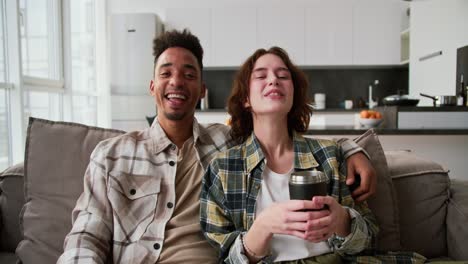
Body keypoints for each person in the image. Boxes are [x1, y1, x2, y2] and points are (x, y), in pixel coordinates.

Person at [58, 30, 376, 263]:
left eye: (189, 74)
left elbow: (280, 135)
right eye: (166, 73)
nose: (177, 82)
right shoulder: (112, 155)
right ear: (152, 85)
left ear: (201, 90)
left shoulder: (225, 144)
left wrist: (352, 148)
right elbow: (86, 236)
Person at [200, 47, 426, 264]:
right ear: (245, 99)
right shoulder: (223, 168)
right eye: (261, 76)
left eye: (283, 75)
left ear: (293, 93)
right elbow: (224, 257)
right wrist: (262, 228)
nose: (273, 80)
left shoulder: (329, 155)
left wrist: (343, 221)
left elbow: (368, 238)